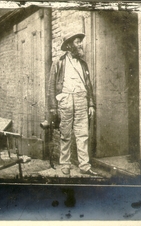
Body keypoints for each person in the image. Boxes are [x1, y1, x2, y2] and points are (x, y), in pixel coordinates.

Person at [48, 33, 97, 176]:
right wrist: (53, 107)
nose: (81, 44)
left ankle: (84, 166)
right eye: (77, 42)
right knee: (65, 133)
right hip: (66, 100)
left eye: (81, 42)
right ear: (69, 45)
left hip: (82, 99)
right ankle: (65, 164)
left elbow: (88, 85)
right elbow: (51, 86)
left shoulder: (83, 64)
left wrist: (91, 104)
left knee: (82, 133)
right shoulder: (59, 62)